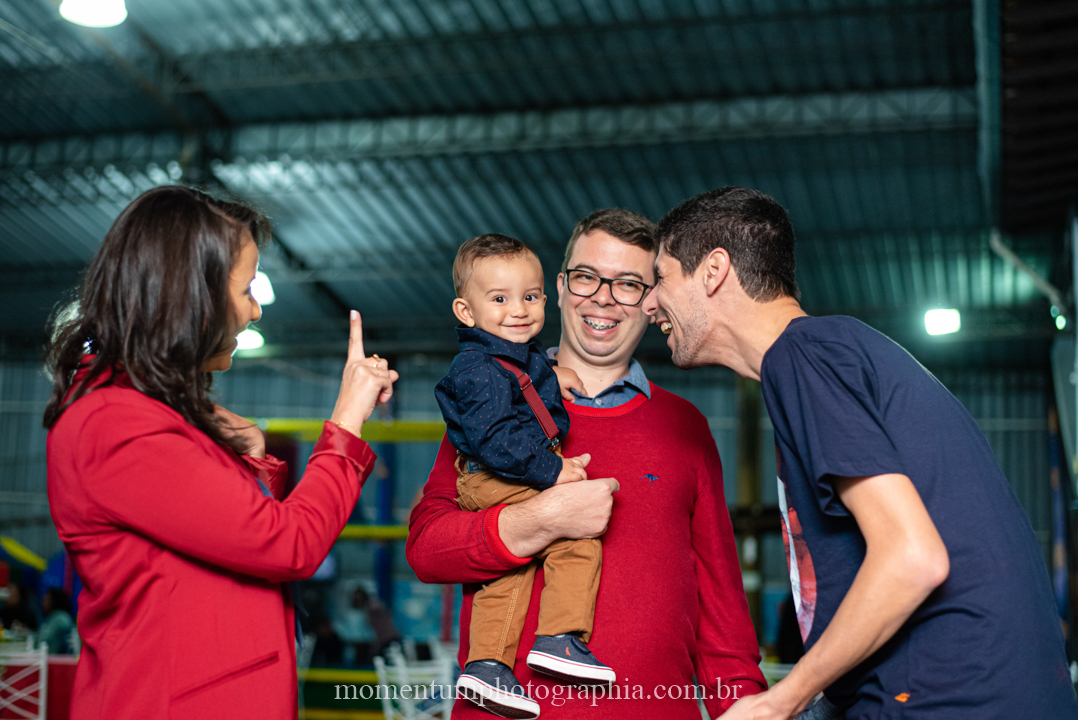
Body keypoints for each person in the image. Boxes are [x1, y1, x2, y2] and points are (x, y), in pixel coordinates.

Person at [643, 186, 1078, 720]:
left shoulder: (802, 356)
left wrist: (781, 700)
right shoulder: (833, 353)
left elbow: (913, 558)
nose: (647, 302)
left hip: (944, 698)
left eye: (660, 278)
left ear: (713, 271)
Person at [44, 186, 397, 720]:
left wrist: (248, 454)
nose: (256, 310)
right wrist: (347, 422)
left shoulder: (145, 413)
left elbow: (236, 548)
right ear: (192, 294)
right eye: (247, 288)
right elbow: (288, 544)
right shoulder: (117, 423)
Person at [408, 209, 766, 720]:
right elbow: (427, 550)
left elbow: (721, 607)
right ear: (558, 286)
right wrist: (537, 522)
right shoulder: (496, 408)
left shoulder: (685, 426)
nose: (602, 297)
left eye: (628, 284)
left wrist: (743, 703)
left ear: (652, 300)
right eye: (586, 277)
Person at [436, 234, 611, 718]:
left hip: (503, 472)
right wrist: (554, 472)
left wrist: (556, 375)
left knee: (511, 567)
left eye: (530, 296)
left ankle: (487, 666)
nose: (519, 310)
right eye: (499, 299)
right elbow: (495, 440)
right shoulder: (477, 369)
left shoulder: (519, 358)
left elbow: (530, 382)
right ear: (466, 312)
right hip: (495, 472)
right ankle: (559, 639)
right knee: (578, 535)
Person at [37, 587, 75, 654]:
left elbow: (56, 650)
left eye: (47, 599)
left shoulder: (61, 620)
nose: (43, 601)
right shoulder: (51, 618)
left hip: (57, 662)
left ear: (54, 600)